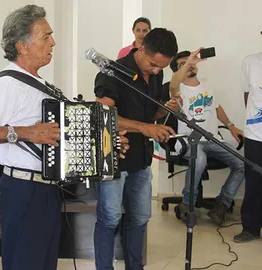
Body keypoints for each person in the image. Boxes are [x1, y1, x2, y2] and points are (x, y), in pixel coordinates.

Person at [0, 5, 128, 270]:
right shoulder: (5, 84)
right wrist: (24, 133)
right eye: (45, 37)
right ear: (22, 45)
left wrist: (106, 146)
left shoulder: (42, 86)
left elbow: (62, 137)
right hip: (24, 190)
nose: (53, 42)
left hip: (47, 188)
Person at [94, 28, 179, 270]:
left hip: (141, 158)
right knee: (109, 218)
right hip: (114, 158)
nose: (155, 71)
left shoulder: (156, 74)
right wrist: (144, 128)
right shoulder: (112, 72)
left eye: (160, 68)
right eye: (153, 64)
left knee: (140, 218)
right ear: (141, 48)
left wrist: (165, 110)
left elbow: (148, 113)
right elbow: (103, 116)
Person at [169, 49, 245, 226]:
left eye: (190, 62)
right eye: (183, 64)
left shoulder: (208, 85)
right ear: (176, 71)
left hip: (212, 139)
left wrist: (231, 126)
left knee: (241, 163)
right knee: (200, 160)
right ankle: (187, 205)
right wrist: (185, 66)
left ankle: (221, 205)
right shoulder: (178, 89)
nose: (189, 66)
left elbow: (217, 108)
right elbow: (173, 86)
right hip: (190, 141)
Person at [234, 30, 262, 243]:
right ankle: (251, 227)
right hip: (256, 134)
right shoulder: (250, 63)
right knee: (254, 181)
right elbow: (248, 95)